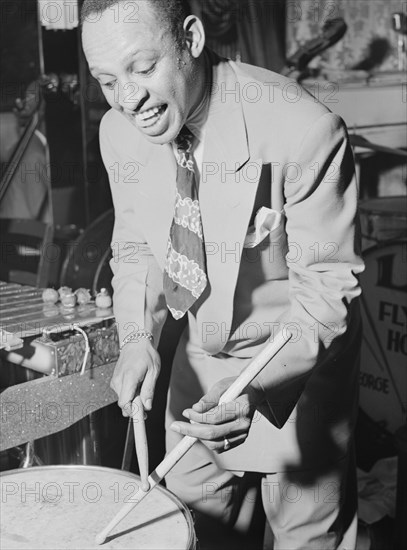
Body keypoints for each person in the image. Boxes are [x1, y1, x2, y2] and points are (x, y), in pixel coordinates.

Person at [81, 1, 364, 548]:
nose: (128, 98)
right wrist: (137, 340)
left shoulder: (303, 129)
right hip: (196, 375)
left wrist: (256, 390)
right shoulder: (118, 132)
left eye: (143, 68)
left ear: (191, 37)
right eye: (106, 80)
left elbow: (328, 291)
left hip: (295, 377)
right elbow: (136, 247)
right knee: (187, 533)